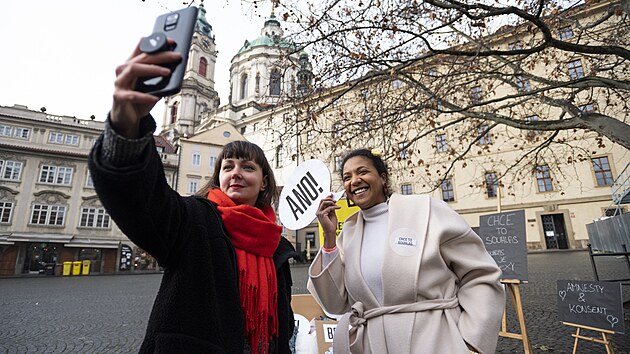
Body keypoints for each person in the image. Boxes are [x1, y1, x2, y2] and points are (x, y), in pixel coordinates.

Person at [88, 38, 299, 353]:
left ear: (265, 182)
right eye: (227, 166)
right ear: (219, 178)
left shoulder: (277, 246)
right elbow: (140, 199)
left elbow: (280, 327)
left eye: (248, 167)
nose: (236, 172)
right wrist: (126, 128)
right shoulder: (194, 221)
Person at [308, 149, 505, 354]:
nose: (354, 181)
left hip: (437, 340)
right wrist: (329, 238)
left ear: (383, 178)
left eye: (362, 172)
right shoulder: (348, 234)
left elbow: (480, 275)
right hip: (374, 345)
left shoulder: (426, 211)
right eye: (347, 177)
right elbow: (334, 304)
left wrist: (472, 341)